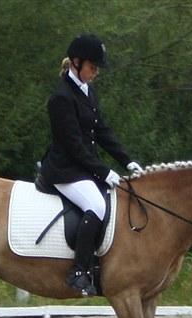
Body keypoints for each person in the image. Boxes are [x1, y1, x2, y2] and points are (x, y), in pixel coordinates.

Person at [41, 33, 143, 296]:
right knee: (96, 206)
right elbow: (74, 145)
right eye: (92, 67)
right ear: (76, 63)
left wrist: (128, 161)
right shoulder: (61, 98)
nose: (95, 72)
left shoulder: (87, 92)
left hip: (82, 169)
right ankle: (79, 270)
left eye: (97, 68)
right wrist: (104, 170)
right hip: (64, 170)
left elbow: (102, 132)